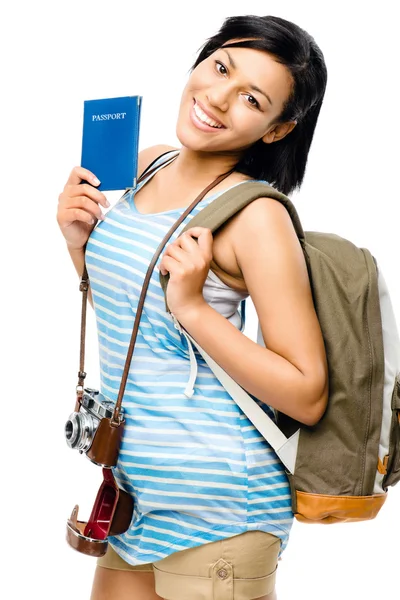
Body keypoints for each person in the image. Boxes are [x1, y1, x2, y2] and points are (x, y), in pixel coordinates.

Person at [57, 14, 329, 600]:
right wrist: (79, 245)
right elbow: (136, 315)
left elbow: (307, 391)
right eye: (220, 67)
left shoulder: (257, 216)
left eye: (252, 99)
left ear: (277, 130)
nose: (217, 98)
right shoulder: (148, 162)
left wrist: (196, 309)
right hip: (134, 499)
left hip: (221, 510)